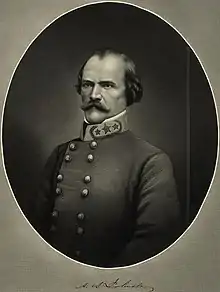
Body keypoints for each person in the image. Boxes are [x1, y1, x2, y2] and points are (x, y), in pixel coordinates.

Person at [33, 48, 181, 267]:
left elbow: (153, 245)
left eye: (107, 85)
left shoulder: (152, 162)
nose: (94, 95)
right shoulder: (59, 154)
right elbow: (35, 232)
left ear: (129, 92)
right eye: (87, 84)